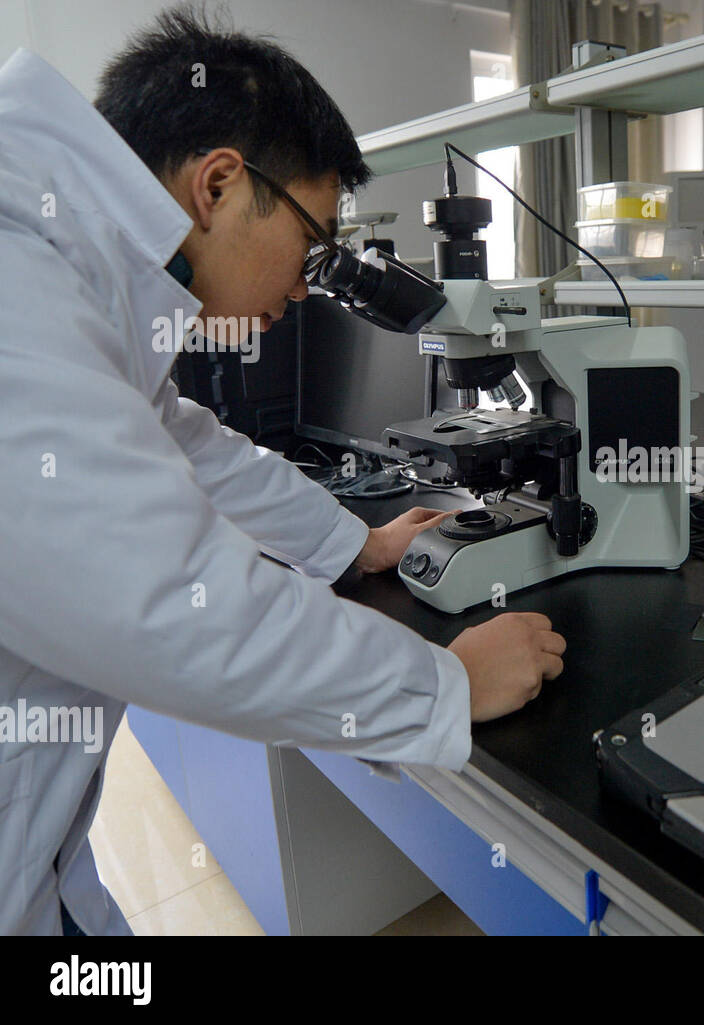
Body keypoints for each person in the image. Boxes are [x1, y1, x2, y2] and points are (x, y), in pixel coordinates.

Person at [0, 5, 565, 936]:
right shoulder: (23, 279)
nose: (307, 285)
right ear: (218, 185)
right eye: (311, 240)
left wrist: (357, 544)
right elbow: (175, 605)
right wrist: (444, 685)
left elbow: (183, 439)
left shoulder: (69, 263)